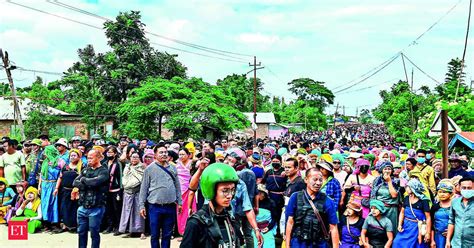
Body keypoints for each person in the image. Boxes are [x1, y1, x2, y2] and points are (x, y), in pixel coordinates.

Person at [180, 163, 244, 247]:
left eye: (232, 190)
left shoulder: (229, 218)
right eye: (225, 190)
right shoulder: (196, 223)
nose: (230, 195)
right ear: (210, 190)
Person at [139, 145, 182, 248]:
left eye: (165, 152)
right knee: (154, 234)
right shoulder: (149, 169)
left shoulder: (173, 168)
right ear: (155, 155)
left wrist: (180, 202)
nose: (164, 154)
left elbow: (177, 186)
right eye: (161, 152)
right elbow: (144, 188)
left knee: (167, 235)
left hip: (170, 206)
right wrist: (141, 206)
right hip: (154, 206)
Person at [285, 168, 340, 248]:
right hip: (298, 243)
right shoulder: (295, 197)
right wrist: (287, 245)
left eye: (320, 180)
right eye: (315, 179)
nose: (318, 183)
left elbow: (333, 227)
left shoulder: (328, 201)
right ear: (306, 179)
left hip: (319, 243)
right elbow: (290, 222)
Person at [73, 148, 110, 248]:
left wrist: (84, 180)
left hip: (96, 207)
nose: (88, 160)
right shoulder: (85, 170)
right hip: (82, 207)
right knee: (81, 232)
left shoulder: (104, 171)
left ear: (98, 158)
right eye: (87, 158)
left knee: (94, 232)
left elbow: (95, 182)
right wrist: (86, 182)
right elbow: (75, 182)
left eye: (91, 158)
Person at [393, 179, 431, 248]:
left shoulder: (424, 200)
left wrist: (428, 233)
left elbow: (428, 217)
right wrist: (399, 225)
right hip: (406, 226)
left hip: (417, 228)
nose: (406, 188)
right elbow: (402, 212)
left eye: (409, 187)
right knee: (397, 242)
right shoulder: (407, 198)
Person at [53, 148, 83, 233]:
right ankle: (65, 225)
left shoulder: (81, 166)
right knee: (64, 208)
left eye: (74, 155)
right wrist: (56, 188)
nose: (72, 157)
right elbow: (60, 177)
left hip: (75, 192)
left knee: (74, 209)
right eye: (71, 155)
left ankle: (74, 226)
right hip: (64, 191)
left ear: (78, 157)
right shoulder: (65, 166)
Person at [118, 152, 146, 239]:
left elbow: (141, 179)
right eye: (132, 157)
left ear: (139, 158)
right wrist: (126, 185)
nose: (134, 159)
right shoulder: (127, 166)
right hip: (127, 191)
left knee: (139, 212)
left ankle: (141, 231)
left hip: (138, 192)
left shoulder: (142, 167)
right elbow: (124, 177)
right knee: (127, 212)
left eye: (136, 157)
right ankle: (130, 231)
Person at [370, 161, 399, 233]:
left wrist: (389, 181)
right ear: (382, 170)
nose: (387, 171)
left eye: (389, 169)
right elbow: (373, 195)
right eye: (385, 169)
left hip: (391, 209)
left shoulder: (396, 181)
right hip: (379, 209)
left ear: (392, 170)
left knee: (390, 230)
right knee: (378, 229)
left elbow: (394, 195)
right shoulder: (377, 180)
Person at [261, 154, 286, 236]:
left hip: (280, 197)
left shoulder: (284, 171)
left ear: (281, 162)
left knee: (279, 214)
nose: (275, 163)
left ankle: (279, 231)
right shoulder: (268, 172)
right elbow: (263, 182)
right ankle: (271, 229)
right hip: (270, 196)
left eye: (277, 161)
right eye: (273, 161)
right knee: (272, 213)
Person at [446, 176, 474, 248]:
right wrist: (448, 240)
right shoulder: (455, 202)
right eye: (464, 188)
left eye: (469, 188)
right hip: (456, 243)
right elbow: (451, 221)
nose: (466, 190)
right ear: (459, 188)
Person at [39, 145, 61, 231]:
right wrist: (39, 186)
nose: (45, 154)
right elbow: (41, 174)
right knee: (45, 203)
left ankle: (54, 223)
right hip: (44, 185)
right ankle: (46, 223)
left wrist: (56, 188)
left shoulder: (58, 162)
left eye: (46, 152)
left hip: (53, 185)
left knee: (53, 203)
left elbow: (60, 176)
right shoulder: (44, 162)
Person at [103, 146, 123, 235]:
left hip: (116, 189)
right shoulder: (104, 163)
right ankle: (109, 226)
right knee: (108, 209)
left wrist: (120, 190)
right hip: (107, 190)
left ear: (115, 153)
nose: (109, 154)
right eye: (108, 152)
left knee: (116, 209)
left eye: (111, 152)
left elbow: (121, 177)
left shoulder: (118, 164)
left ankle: (118, 226)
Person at [176, 148, 195, 236]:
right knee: (180, 212)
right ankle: (182, 231)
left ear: (188, 155)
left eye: (183, 154)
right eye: (180, 154)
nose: (181, 156)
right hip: (180, 191)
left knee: (190, 210)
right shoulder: (176, 164)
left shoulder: (193, 164)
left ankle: (190, 232)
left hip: (190, 190)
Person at [430, 179, 453, 248]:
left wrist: (452, 231)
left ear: (450, 194)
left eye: (445, 192)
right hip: (438, 237)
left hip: (453, 237)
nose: (442, 194)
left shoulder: (455, 206)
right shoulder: (435, 207)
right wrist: (432, 240)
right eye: (440, 192)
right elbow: (431, 224)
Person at [253, 184, 277, 248]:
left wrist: (268, 228)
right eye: (258, 193)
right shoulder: (253, 203)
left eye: (262, 193)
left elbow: (274, 218)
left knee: (268, 244)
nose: (260, 195)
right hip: (255, 229)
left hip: (267, 228)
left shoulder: (271, 203)